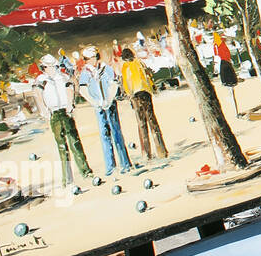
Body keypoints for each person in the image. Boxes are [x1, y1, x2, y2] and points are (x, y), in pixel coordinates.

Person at [32, 54, 93, 186]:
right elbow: (37, 95)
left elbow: (70, 89)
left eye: (54, 66)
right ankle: (67, 178)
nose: (53, 68)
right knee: (61, 146)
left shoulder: (63, 77)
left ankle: (85, 171)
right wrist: (44, 110)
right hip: (54, 113)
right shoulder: (41, 80)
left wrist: (70, 104)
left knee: (75, 142)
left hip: (65, 111)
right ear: (44, 67)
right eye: (50, 66)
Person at [76, 46, 133, 175]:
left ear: (96, 57)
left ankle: (125, 164)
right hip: (99, 107)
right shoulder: (85, 73)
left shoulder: (106, 68)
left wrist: (109, 99)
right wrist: (95, 102)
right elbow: (83, 90)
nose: (90, 61)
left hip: (110, 104)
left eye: (91, 58)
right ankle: (110, 167)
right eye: (87, 59)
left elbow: (114, 84)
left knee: (116, 132)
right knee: (104, 135)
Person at [121, 48, 167, 159]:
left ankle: (146, 154)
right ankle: (161, 151)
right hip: (145, 93)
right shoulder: (140, 63)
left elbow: (126, 83)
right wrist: (153, 89)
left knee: (141, 124)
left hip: (135, 96)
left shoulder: (125, 67)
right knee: (152, 122)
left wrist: (129, 95)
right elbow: (148, 77)